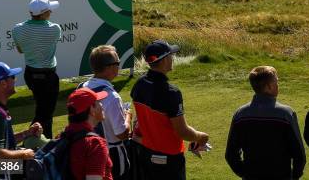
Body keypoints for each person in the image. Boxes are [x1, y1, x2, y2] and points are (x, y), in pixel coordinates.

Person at [130, 40, 208, 180]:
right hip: (169, 159)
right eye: (171, 55)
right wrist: (201, 137)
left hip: (146, 153)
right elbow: (182, 131)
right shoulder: (171, 92)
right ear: (165, 59)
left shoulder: (139, 84)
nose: (172, 58)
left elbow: (138, 120)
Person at [225, 66, 306, 180]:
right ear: (268, 86)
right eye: (276, 82)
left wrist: (245, 173)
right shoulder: (286, 114)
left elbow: (230, 154)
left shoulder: (240, 114)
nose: (278, 85)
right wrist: (294, 175)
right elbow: (299, 154)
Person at [78, 45, 132, 180]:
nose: (119, 66)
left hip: (86, 151)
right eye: (117, 63)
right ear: (108, 67)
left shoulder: (81, 87)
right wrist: (128, 116)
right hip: (111, 154)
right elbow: (122, 134)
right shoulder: (112, 96)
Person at [12, 0, 61, 138]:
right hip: (48, 77)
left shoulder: (18, 29)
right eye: (49, 11)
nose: (51, 13)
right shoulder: (54, 29)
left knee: (44, 109)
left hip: (30, 75)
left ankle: (46, 140)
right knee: (44, 113)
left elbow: (21, 50)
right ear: (44, 13)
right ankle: (30, 138)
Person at [65, 87, 113, 180]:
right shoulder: (95, 144)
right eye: (98, 102)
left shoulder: (63, 136)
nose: (102, 105)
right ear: (92, 110)